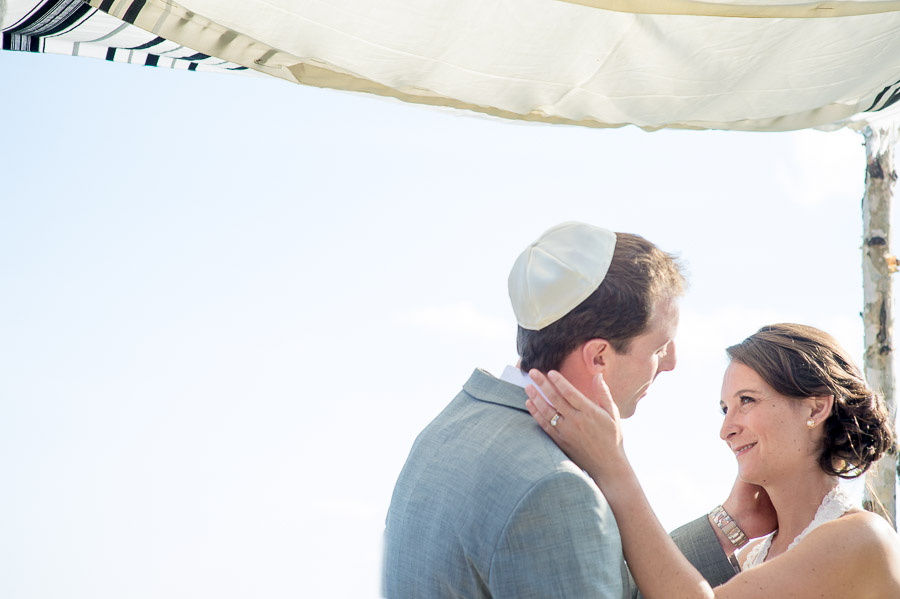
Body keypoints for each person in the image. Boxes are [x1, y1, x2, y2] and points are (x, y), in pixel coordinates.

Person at [382, 222, 775, 598]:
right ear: (599, 357)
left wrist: (730, 525)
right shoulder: (554, 489)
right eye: (658, 348)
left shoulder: (448, 428)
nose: (670, 363)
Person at [526, 323, 900, 599]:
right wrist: (729, 521)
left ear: (816, 407)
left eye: (747, 401)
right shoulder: (755, 554)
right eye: (725, 409)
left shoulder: (863, 538)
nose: (726, 430)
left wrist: (613, 466)